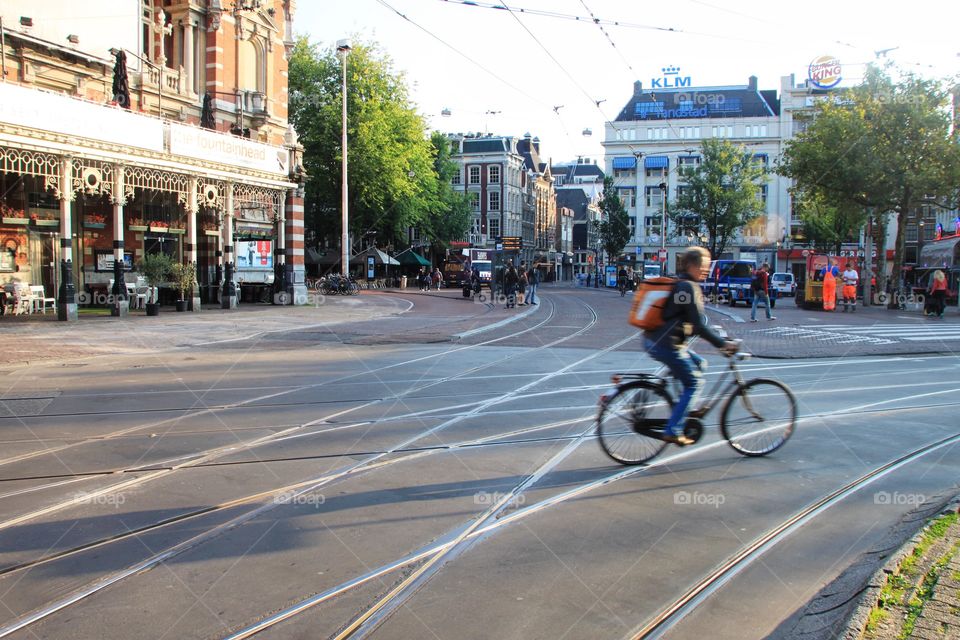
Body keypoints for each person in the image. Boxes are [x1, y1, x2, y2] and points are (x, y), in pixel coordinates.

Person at [645, 247, 739, 446]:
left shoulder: (681, 284)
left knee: (700, 364)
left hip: (656, 339)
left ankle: (684, 406)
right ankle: (673, 429)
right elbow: (697, 325)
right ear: (690, 265)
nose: (706, 270)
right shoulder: (687, 287)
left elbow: (685, 316)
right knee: (694, 383)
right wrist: (723, 345)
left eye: (706, 267)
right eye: (702, 266)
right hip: (666, 344)